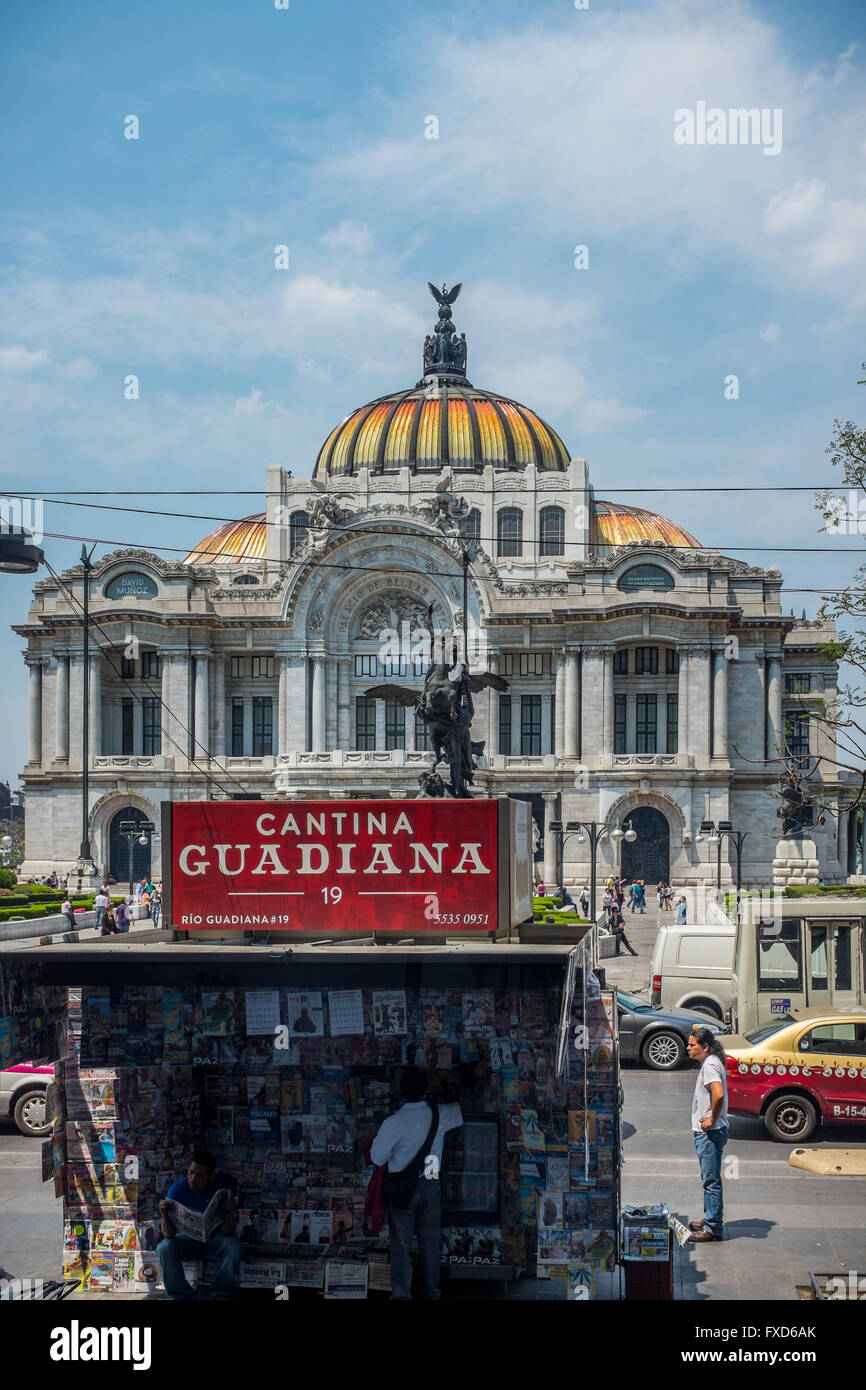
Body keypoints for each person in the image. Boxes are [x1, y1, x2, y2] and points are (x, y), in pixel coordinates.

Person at [370, 1067, 465, 1301]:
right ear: (426, 1090)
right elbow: (459, 1110)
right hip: (431, 1184)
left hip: (402, 1188)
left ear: (401, 1092)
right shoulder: (441, 1114)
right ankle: (432, 1291)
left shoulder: (393, 1123)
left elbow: (377, 1158)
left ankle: (401, 1293)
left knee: (401, 1243)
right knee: (431, 1241)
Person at [157, 1151, 243, 1299]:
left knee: (234, 1246)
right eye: (191, 1173)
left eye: (199, 1175)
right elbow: (169, 1235)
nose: (192, 1179)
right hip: (187, 1240)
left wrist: (228, 1211)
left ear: (211, 1176)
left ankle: (221, 1294)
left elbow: (229, 1232)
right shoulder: (177, 1189)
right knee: (164, 1247)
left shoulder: (221, 1188)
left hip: (214, 1240)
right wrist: (164, 1214)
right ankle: (181, 1296)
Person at [687, 1027, 729, 1242]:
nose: (688, 1048)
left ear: (705, 1047)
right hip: (708, 1132)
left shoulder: (711, 1065)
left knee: (711, 1181)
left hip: (710, 1133)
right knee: (708, 1179)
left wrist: (712, 1118)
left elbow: (718, 1093)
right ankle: (709, 1217)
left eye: (692, 1045)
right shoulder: (710, 1063)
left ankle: (713, 1228)